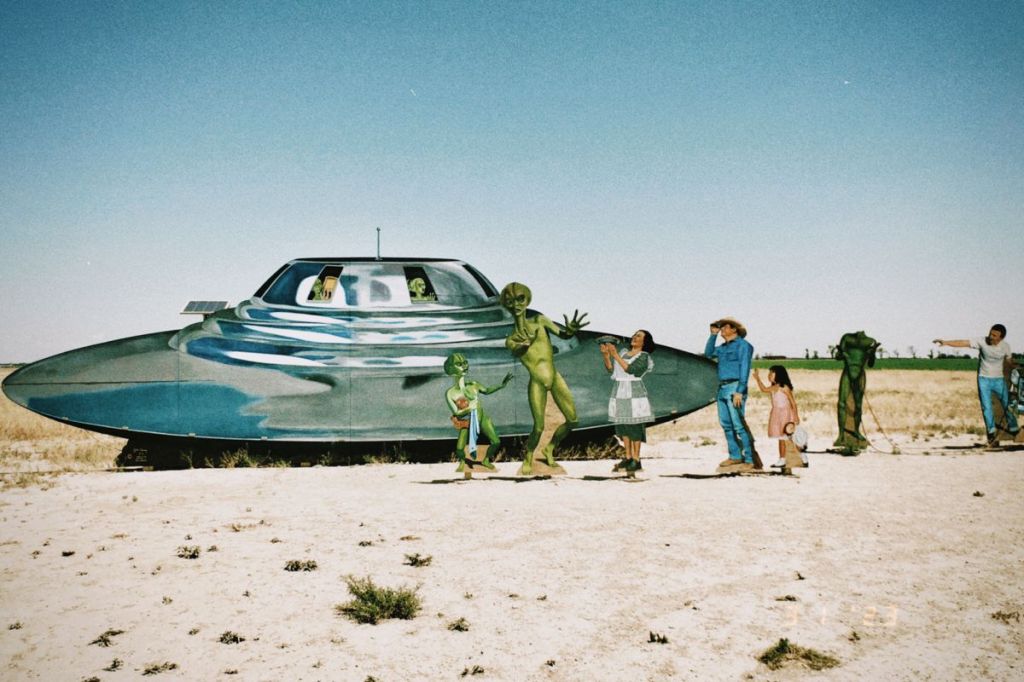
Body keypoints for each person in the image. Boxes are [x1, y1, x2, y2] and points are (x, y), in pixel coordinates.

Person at [500, 282, 589, 474]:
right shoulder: (511, 339)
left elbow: (563, 334)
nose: (516, 305)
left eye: (520, 299)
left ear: (527, 300)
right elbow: (516, 351)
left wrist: (570, 330)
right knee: (539, 427)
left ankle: (549, 448)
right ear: (506, 305)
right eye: (510, 301)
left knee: (573, 420)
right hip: (537, 382)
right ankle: (529, 457)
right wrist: (524, 345)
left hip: (555, 377)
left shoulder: (540, 320)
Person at [934, 324, 1020, 446]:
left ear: (1001, 338)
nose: (991, 337)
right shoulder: (981, 341)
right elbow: (963, 343)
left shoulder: (1006, 347)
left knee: (1007, 405)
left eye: (994, 335)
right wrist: (946, 342)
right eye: (990, 333)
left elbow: (1009, 361)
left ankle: (1014, 429)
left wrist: (1017, 367)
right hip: (983, 379)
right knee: (986, 407)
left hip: (999, 380)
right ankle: (991, 432)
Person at [443, 353, 512, 472]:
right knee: (459, 449)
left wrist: (501, 385)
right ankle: (463, 461)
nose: (464, 366)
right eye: (459, 364)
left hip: (482, 418)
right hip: (467, 421)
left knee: (496, 442)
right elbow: (457, 413)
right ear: (450, 368)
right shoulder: (450, 393)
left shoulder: (474, 384)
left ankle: (486, 460)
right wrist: (470, 408)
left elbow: (487, 390)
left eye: (465, 363)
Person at [704, 317, 758, 471]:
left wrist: (740, 391)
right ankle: (735, 456)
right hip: (722, 387)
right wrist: (713, 335)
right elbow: (708, 354)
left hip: (735, 387)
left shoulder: (744, 346)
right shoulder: (722, 348)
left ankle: (749, 459)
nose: (721, 329)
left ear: (734, 329)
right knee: (726, 425)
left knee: (738, 425)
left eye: (724, 327)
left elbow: (745, 368)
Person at [600, 330, 655, 475]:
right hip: (620, 390)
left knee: (634, 425)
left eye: (639, 336)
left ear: (645, 341)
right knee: (623, 424)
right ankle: (628, 456)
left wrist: (615, 354)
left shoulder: (643, 356)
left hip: (634, 391)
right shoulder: (624, 353)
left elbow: (631, 370)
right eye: (634, 335)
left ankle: (636, 459)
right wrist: (606, 355)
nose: (634, 337)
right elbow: (611, 369)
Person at [833, 330, 880, 452]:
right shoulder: (846, 338)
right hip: (847, 373)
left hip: (860, 374)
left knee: (858, 405)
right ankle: (841, 434)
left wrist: (872, 352)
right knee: (841, 403)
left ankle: (856, 431)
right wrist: (842, 353)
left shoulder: (870, 342)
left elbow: (871, 364)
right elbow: (837, 357)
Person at [753, 365, 800, 468]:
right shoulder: (774, 387)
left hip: (785, 413)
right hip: (777, 413)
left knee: (784, 437)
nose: (769, 375)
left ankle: (785, 459)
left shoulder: (784, 387)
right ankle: (783, 458)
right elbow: (764, 389)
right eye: (769, 373)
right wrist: (757, 378)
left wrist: (796, 416)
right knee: (781, 437)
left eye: (772, 373)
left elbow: (793, 403)